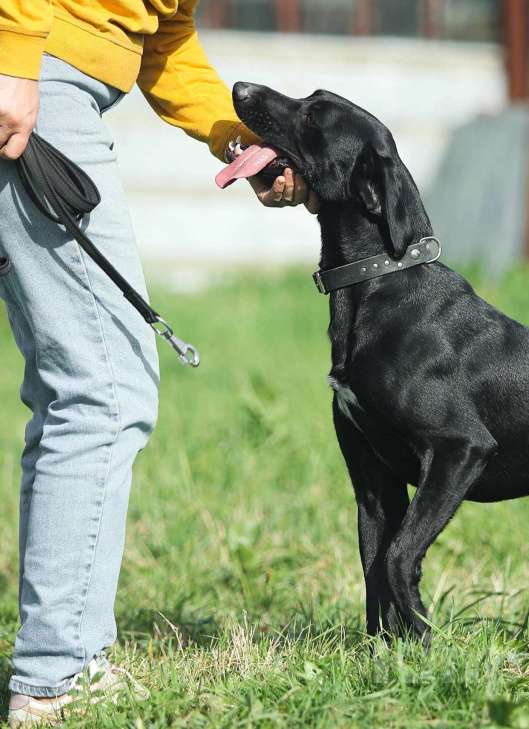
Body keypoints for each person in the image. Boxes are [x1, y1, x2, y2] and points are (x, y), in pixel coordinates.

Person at [0, 1, 318, 724]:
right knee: (102, 385)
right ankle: (56, 679)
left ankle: (60, 663)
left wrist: (239, 138)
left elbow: (161, 31)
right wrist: (13, 55)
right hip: (33, 81)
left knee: (87, 381)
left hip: (45, 75)